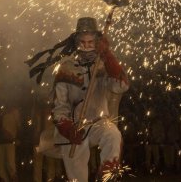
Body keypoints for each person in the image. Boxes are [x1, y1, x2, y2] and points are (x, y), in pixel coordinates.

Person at [51, 17, 129, 182]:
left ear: (98, 42)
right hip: (73, 129)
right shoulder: (65, 67)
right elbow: (60, 107)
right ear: (77, 41)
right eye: (83, 42)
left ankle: (107, 178)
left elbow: (121, 86)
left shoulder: (103, 64)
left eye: (91, 42)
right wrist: (66, 128)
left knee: (113, 134)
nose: (87, 46)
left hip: (98, 122)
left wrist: (108, 57)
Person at [0, 102, 21, 182]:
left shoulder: (14, 111)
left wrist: (17, 138)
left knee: (11, 166)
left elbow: (19, 126)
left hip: (10, 142)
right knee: (0, 167)